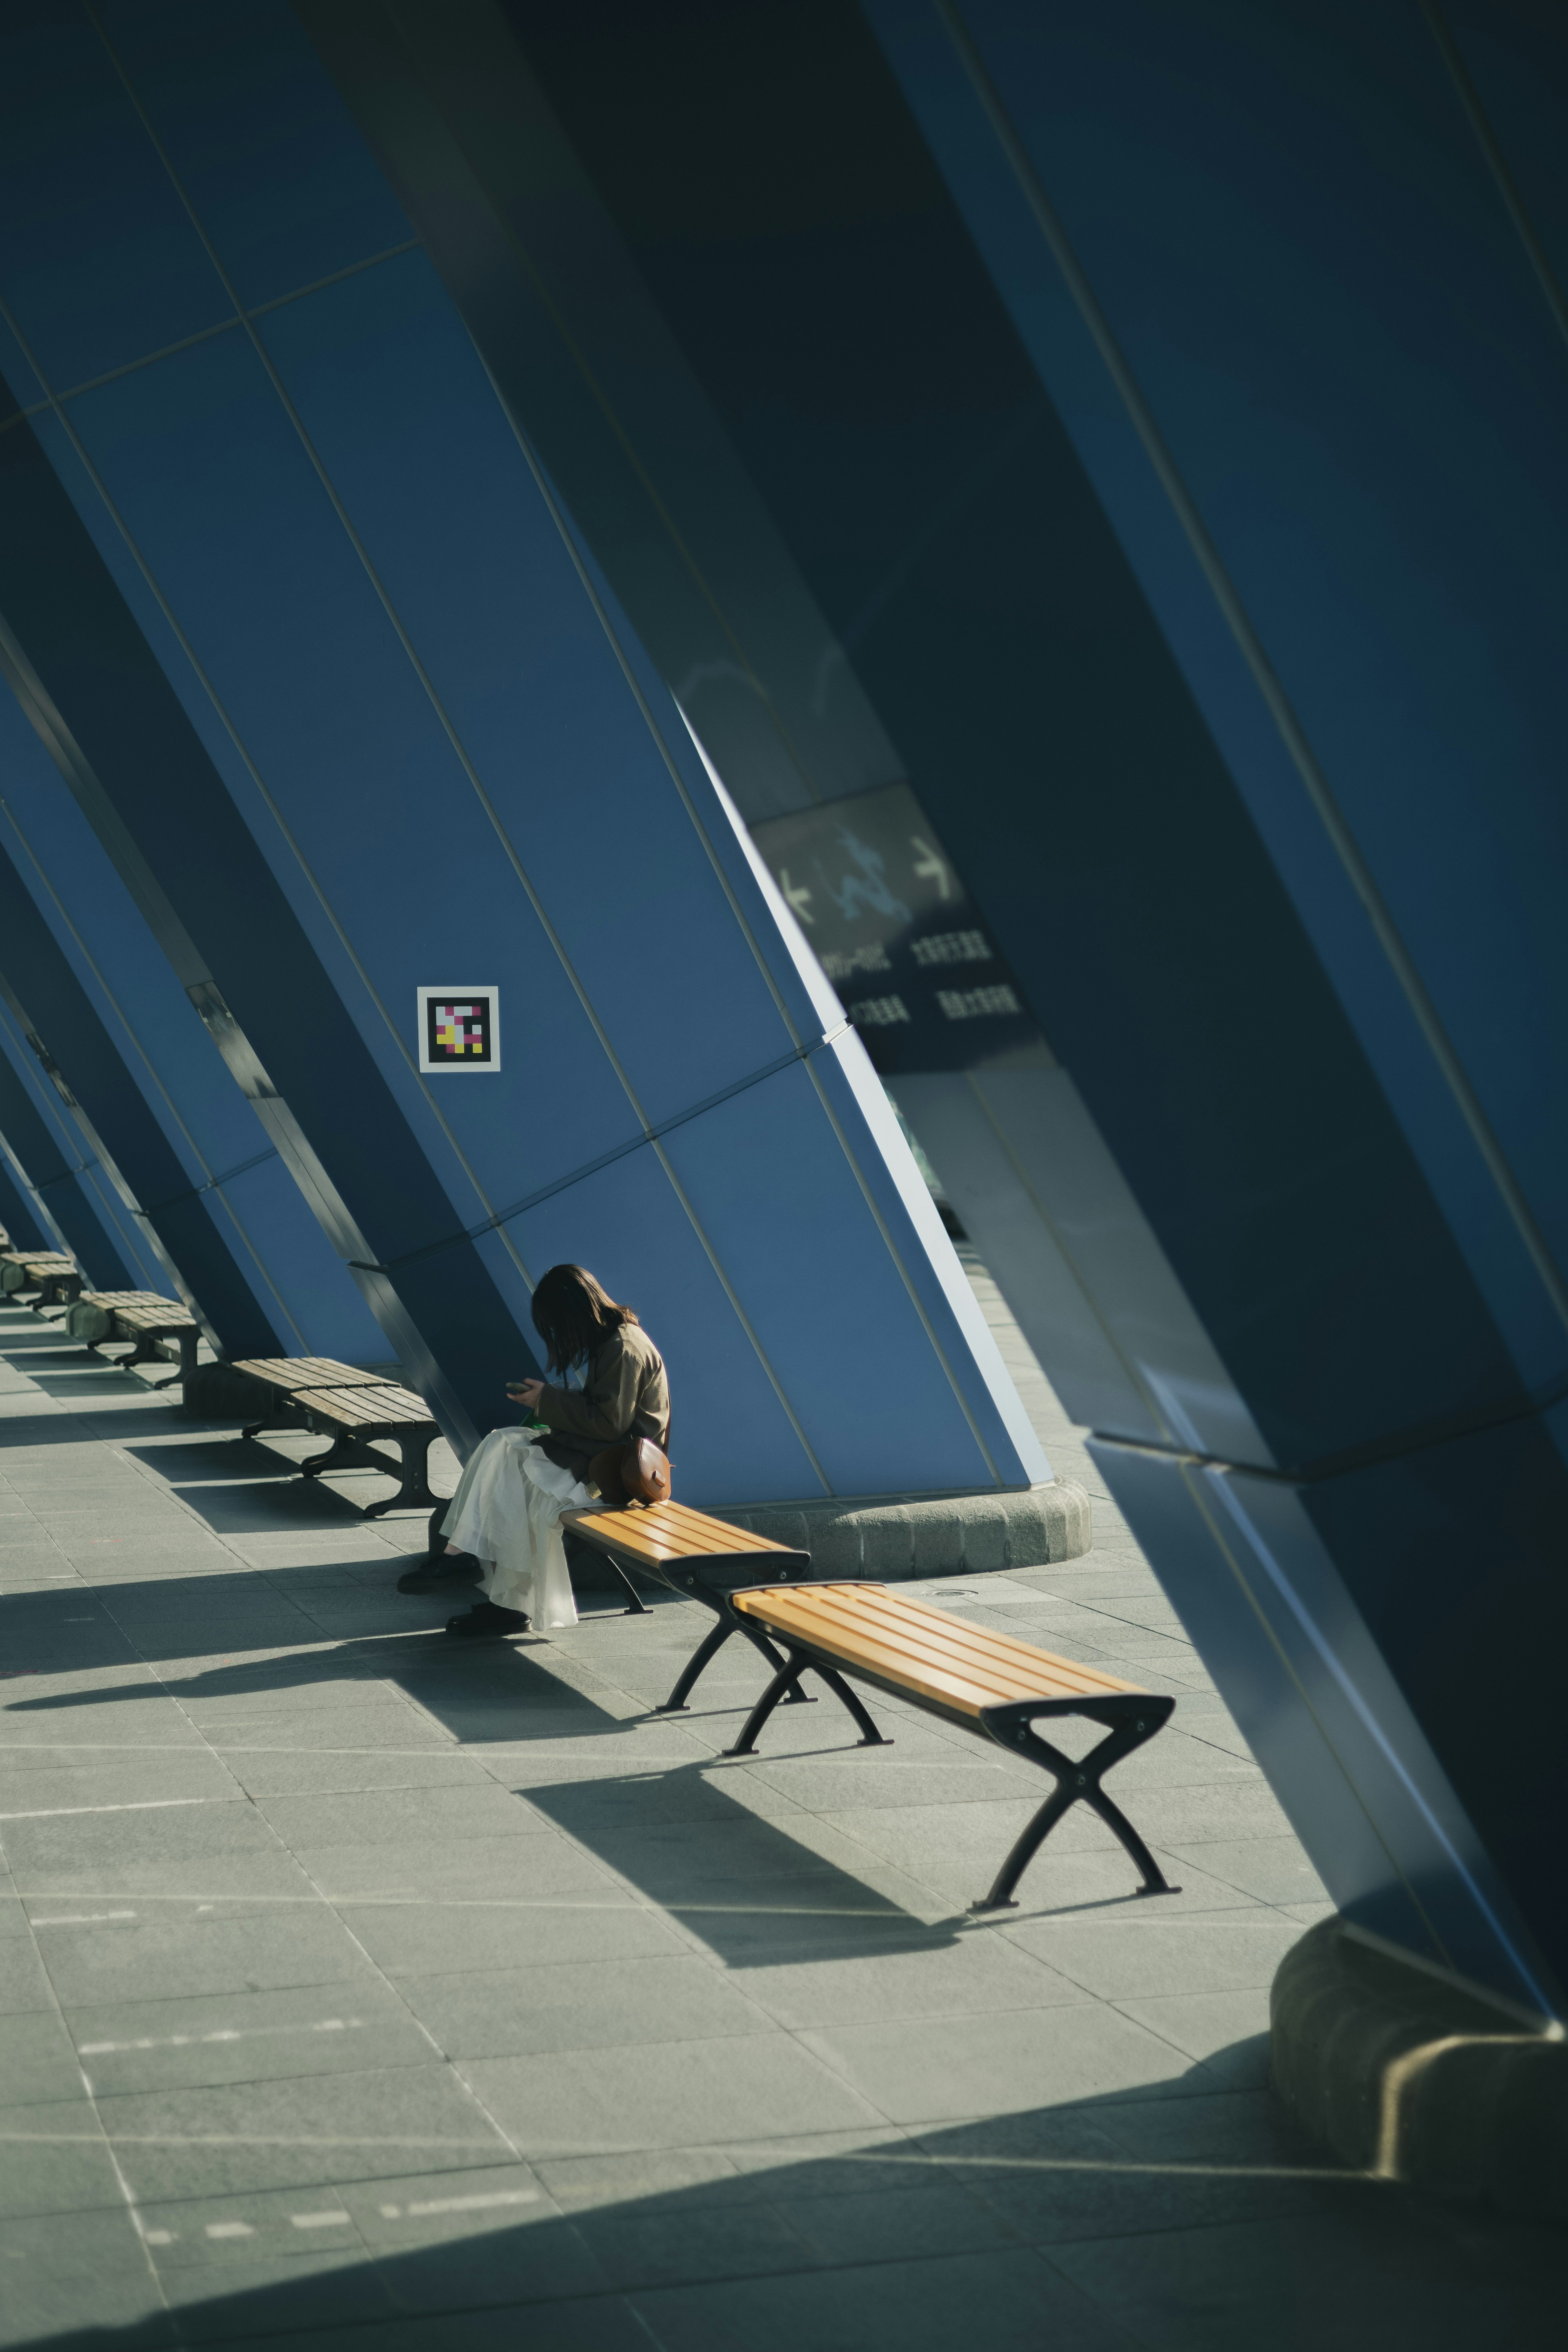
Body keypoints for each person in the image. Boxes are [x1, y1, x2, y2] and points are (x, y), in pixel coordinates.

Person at [429, 1264, 670, 1640]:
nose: (558, 1335)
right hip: (602, 1460)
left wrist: (548, 1400)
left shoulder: (623, 1347)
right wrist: (549, 1402)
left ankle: (491, 1588)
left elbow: (610, 1424)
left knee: (518, 1476)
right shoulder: (617, 1340)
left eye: (557, 1325)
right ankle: (475, 1570)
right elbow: (608, 1415)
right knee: (504, 1450)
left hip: (613, 1476)